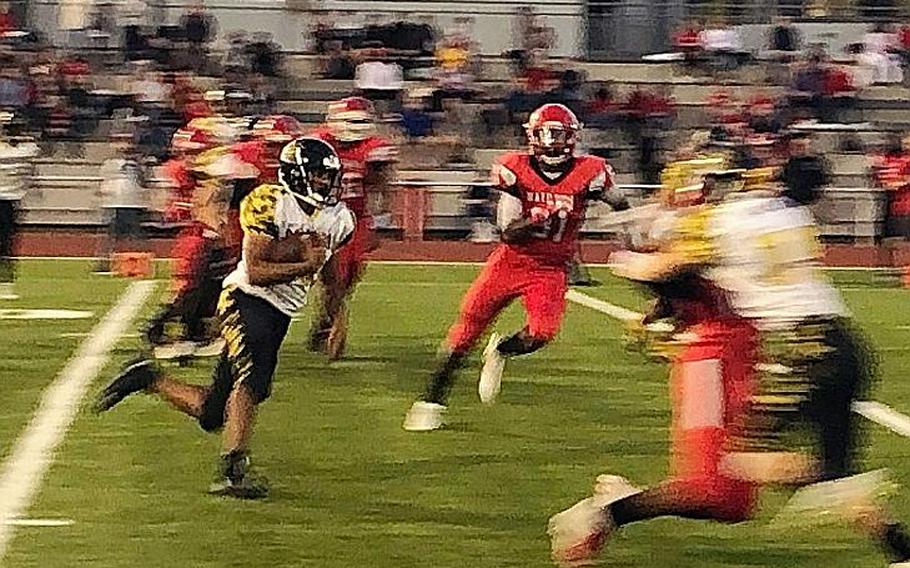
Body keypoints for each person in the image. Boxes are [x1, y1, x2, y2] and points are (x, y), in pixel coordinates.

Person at [548, 168, 910, 567]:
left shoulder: (725, 220)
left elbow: (664, 269)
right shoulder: (789, 213)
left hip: (800, 350)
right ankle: (898, 547)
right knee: (816, 474)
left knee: (740, 464)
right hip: (847, 347)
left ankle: (611, 511)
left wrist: (628, 259)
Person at [95, 138, 355, 499]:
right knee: (252, 380)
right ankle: (232, 469)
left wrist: (337, 314)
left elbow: (329, 270)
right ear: (296, 175)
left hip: (281, 312)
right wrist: (304, 263)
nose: (326, 184)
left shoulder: (338, 219)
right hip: (245, 299)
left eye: (328, 177)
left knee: (212, 413)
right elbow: (257, 271)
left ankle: (148, 377)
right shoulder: (270, 203)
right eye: (317, 176)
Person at [402, 103, 629, 432]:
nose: (552, 141)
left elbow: (620, 203)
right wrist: (535, 219)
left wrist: (628, 233)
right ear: (532, 136)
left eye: (559, 134)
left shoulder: (592, 171)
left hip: (551, 267)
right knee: (466, 329)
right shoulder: (515, 167)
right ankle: (431, 401)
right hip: (511, 261)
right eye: (546, 134)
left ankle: (502, 348)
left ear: (572, 136)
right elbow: (507, 231)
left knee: (542, 333)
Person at [309, 97, 396, 359]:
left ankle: (327, 320)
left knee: (346, 280)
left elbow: (380, 183)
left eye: (363, 122)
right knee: (328, 279)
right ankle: (332, 322)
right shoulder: (318, 143)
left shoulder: (372, 148)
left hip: (355, 219)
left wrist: (379, 220)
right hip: (320, 217)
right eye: (354, 121)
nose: (359, 128)